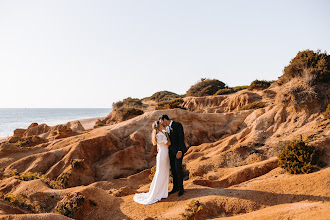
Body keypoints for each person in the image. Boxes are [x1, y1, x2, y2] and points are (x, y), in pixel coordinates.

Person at [133, 121, 171, 205]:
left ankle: (162, 192)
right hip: (162, 155)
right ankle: (157, 193)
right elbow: (169, 143)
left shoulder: (161, 133)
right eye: (161, 124)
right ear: (158, 126)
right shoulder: (159, 135)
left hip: (164, 154)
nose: (162, 124)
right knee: (161, 173)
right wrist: (167, 135)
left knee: (163, 172)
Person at [159, 114, 187, 196]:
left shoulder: (177, 125)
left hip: (178, 151)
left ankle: (181, 188)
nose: (162, 124)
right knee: (173, 170)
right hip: (171, 152)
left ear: (165, 119)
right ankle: (175, 187)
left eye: (162, 122)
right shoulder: (167, 128)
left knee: (178, 168)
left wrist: (180, 151)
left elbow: (181, 138)